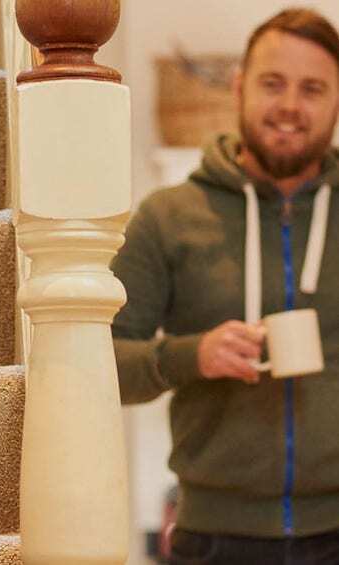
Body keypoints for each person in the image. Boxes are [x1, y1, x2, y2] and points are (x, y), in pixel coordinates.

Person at [112, 8, 339, 564]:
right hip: (213, 538)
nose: (290, 105)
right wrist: (193, 356)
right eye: (272, 83)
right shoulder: (167, 217)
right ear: (239, 88)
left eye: (313, 88)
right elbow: (103, 366)